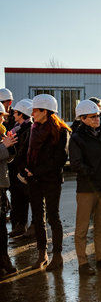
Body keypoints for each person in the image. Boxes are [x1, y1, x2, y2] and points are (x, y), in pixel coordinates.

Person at [69, 100, 101, 275]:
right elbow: (75, 163)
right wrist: (94, 173)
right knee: (82, 228)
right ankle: (83, 263)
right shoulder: (77, 138)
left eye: (98, 116)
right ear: (82, 118)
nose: (97, 119)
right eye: (92, 117)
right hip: (87, 189)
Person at [27, 94, 70, 271]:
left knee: (53, 217)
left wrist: (36, 171)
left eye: (35, 110)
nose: (32, 113)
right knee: (38, 217)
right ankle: (41, 253)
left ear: (45, 111)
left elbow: (60, 159)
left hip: (51, 179)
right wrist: (26, 171)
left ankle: (57, 255)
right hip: (34, 180)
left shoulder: (61, 131)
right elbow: (26, 152)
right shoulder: (33, 129)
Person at [8, 99, 33, 237]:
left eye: (16, 112)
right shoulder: (18, 128)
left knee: (25, 198)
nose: (13, 114)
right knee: (18, 199)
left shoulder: (28, 129)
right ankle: (20, 225)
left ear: (22, 113)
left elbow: (24, 151)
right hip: (15, 170)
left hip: (21, 170)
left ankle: (28, 226)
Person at [0, 102, 18, 276]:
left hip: (1, 185)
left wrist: (10, 147)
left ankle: (4, 259)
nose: (2, 120)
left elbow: (7, 159)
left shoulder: (2, 132)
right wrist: (4, 147)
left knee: (2, 228)